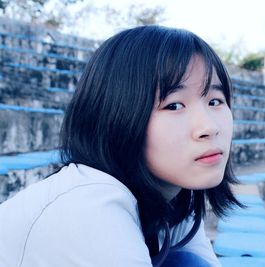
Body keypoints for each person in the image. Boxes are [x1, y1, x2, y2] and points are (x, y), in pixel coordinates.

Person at [0, 25, 242, 267]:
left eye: (215, 101)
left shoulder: (173, 195)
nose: (209, 127)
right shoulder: (90, 209)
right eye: (174, 106)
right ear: (117, 117)